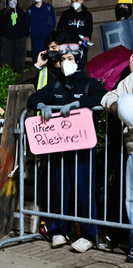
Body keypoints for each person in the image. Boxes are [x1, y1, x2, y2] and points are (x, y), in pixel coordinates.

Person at [27, 44, 106, 253]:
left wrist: (81, 105)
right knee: (58, 190)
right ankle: (58, 231)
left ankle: (88, 235)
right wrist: (41, 105)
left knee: (84, 192)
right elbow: (33, 98)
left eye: (70, 58)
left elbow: (103, 97)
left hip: (82, 150)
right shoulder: (55, 85)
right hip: (59, 150)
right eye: (62, 59)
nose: (66, 62)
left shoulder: (88, 83)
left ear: (78, 60)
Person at [101, 55, 133, 263]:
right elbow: (107, 98)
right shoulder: (130, 81)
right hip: (132, 151)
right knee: (131, 201)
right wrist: (119, 108)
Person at [57, 0, 93, 67]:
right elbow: (59, 28)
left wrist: (87, 37)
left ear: (81, 1)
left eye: (76, 0)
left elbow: (89, 29)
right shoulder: (66, 14)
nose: (74, 3)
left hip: (81, 45)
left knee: (81, 64)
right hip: (68, 44)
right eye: (72, 1)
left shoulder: (87, 15)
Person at [0, 0, 27, 74]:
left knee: (20, 61)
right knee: (7, 61)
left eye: (14, 0)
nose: (13, 2)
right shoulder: (3, 13)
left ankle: (20, 78)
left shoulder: (21, 12)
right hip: (7, 40)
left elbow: (26, 25)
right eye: (10, 0)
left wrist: (24, 35)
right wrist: (3, 35)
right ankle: (7, 77)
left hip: (20, 40)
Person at [26, 0, 56, 64]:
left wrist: (51, 33)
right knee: (36, 59)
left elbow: (54, 21)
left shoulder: (48, 7)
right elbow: (27, 24)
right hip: (35, 39)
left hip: (47, 38)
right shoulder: (30, 10)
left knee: (48, 58)